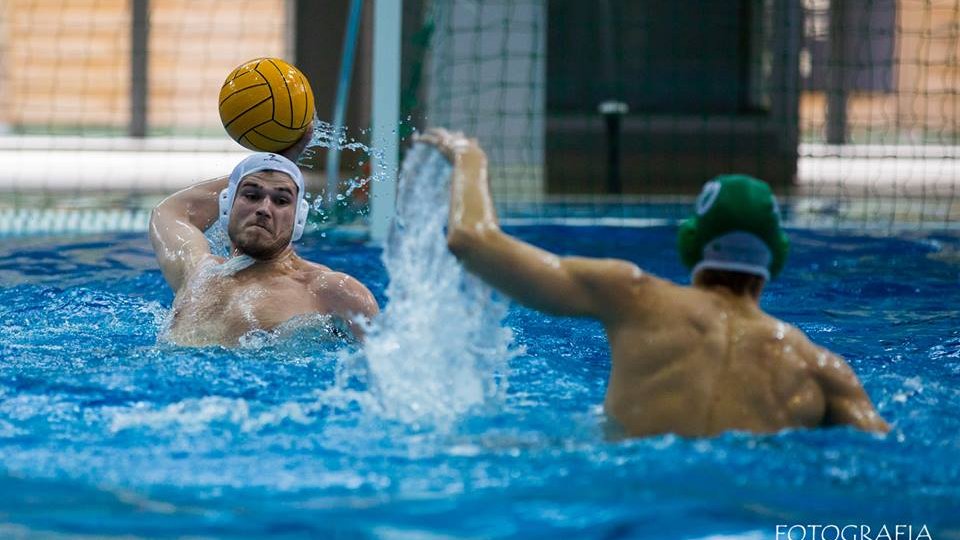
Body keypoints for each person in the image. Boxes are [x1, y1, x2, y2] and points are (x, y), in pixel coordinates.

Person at [418, 128, 889, 438]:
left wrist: (469, 155)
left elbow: (471, 240)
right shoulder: (822, 372)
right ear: (777, 258)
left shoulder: (633, 296)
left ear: (691, 244)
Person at [149, 130, 378, 346]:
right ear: (227, 205)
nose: (264, 209)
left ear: (299, 217)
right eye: (251, 195)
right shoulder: (197, 272)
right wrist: (275, 162)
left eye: (281, 200)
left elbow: (384, 365)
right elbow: (169, 211)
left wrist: (272, 168)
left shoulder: (331, 292)